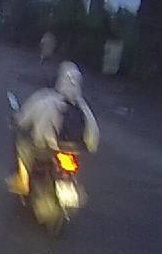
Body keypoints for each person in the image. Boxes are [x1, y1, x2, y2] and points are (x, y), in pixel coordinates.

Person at [6, 61, 100, 194]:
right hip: (76, 150)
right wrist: (89, 146)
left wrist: (17, 122)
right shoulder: (83, 106)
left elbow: (24, 118)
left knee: (22, 145)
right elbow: (93, 133)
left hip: (47, 146)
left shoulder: (46, 98)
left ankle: (22, 182)